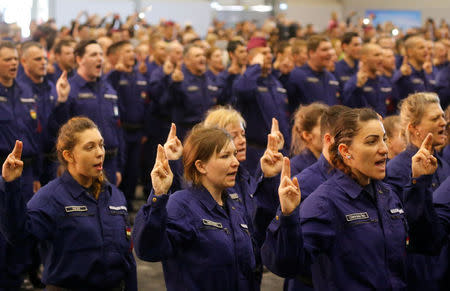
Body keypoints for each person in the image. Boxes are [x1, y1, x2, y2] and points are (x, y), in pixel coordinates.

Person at [261, 108, 437, 290]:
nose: (384, 149)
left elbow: (426, 244)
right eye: (372, 141)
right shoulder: (325, 202)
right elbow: (287, 266)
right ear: (346, 151)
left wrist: (419, 182)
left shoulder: (387, 195)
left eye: (384, 139)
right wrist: (288, 216)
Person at [0, 117, 137, 290]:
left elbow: (128, 260)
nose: (100, 152)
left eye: (101, 144)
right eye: (90, 147)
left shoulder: (115, 196)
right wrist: (10, 185)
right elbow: (18, 236)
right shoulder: (51, 197)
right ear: (68, 155)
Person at [133, 126, 259, 290]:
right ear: (201, 166)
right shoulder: (182, 205)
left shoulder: (233, 206)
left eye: (234, 154)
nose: (235, 162)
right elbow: (148, 249)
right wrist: (158, 196)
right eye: (225, 156)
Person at [385, 92, 449, 291]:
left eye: (442, 116)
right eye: (435, 118)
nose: (443, 122)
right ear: (414, 129)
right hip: (417, 273)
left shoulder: (443, 164)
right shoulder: (395, 171)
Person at [53, 39, 124, 186]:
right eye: (93, 55)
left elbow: (117, 128)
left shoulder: (108, 89)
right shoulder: (69, 88)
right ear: (79, 59)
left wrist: (118, 166)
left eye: (100, 54)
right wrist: (62, 100)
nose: (100, 58)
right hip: (81, 165)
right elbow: (59, 129)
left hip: (109, 162)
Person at [233, 37, 290, 175]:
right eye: (263, 53)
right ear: (252, 58)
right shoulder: (245, 81)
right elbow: (243, 89)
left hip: (280, 149)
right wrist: (255, 67)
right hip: (256, 152)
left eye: (270, 52)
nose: (269, 56)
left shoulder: (275, 82)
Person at [105, 40, 150, 211]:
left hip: (138, 132)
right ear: (117, 56)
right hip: (121, 130)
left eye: (133, 51)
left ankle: (129, 204)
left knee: (133, 170)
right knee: (120, 168)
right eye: (127, 51)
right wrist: (116, 72)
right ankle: (116, 203)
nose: (131, 54)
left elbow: (147, 105)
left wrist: (145, 130)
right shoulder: (113, 76)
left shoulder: (140, 77)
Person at [285, 35, 339, 112]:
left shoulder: (331, 78)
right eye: (324, 50)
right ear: (311, 53)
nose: (330, 53)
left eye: (330, 49)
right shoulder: (296, 75)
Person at [342, 43, 396, 117]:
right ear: (364, 58)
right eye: (376, 55)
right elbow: (348, 107)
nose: (381, 58)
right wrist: (358, 87)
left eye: (381, 55)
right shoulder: (353, 82)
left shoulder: (384, 81)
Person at [289, 103, 328, 177]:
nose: (331, 133)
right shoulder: (294, 167)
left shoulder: (337, 163)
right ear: (306, 135)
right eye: (324, 128)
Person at [393, 36, 437, 100]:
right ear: (410, 52)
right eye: (421, 48)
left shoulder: (427, 70)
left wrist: (429, 75)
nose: (426, 51)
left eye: (427, 48)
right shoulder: (403, 73)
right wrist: (401, 75)